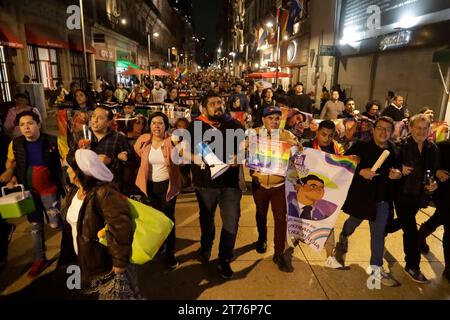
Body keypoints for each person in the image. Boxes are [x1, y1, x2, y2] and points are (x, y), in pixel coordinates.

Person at [58, 148, 139, 299]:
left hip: (104, 264)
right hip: (81, 260)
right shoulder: (73, 192)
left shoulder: (105, 193)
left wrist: (120, 263)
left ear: (79, 170)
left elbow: (121, 227)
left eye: (69, 167)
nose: (67, 170)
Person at [338, 116, 402, 286]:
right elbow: (344, 163)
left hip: (382, 199)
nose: (383, 132)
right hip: (362, 197)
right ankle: (344, 235)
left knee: (378, 234)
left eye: (388, 129)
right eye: (380, 128)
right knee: (353, 222)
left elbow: (399, 169)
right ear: (373, 130)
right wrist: (360, 171)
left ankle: (376, 268)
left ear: (392, 132)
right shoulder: (361, 146)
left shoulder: (394, 149)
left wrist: (398, 174)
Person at [187, 91, 244, 279]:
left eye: (219, 102)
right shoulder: (195, 126)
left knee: (231, 222)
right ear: (203, 108)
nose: (217, 106)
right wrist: (195, 158)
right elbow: (181, 150)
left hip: (230, 185)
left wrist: (240, 157)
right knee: (206, 219)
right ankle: (206, 246)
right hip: (205, 185)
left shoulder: (235, 125)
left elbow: (245, 150)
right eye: (212, 103)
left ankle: (224, 259)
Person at [1, 110, 65, 277]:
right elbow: (11, 161)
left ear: (39, 124)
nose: (26, 127)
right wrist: (11, 174)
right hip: (29, 194)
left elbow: (68, 159)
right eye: (22, 125)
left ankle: (67, 255)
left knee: (56, 224)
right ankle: (40, 259)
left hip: (50, 192)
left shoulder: (54, 141)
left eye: (29, 123)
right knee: (35, 227)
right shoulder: (15, 144)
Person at [249, 106, 300, 272]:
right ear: (263, 119)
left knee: (280, 218)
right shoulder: (253, 133)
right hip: (260, 184)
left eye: (277, 118)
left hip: (279, 186)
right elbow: (241, 151)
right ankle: (262, 237)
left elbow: (299, 156)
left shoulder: (288, 135)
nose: (274, 121)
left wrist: (296, 146)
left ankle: (279, 253)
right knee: (261, 213)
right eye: (270, 118)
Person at [394, 114, 439, 283]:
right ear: (411, 128)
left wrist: (434, 184)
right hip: (401, 196)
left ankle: (384, 228)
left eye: (425, 128)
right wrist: (399, 168)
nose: (421, 131)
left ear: (429, 129)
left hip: (419, 198)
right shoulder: (401, 145)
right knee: (411, 231)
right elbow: (389, 164)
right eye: (418, 127)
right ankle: (412, 266)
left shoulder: (432, 149)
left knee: (404, 223)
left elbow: (433, 172)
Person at [134, 112, 182, 269]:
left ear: (165, 125)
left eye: (160, 123)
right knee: (154, 219)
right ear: (149, 125)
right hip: (149, 187)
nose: (156, 126)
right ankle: (160, 246)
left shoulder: (171, 141)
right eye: (153, 123)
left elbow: (181, 155)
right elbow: (137, 153)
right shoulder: (143, 141)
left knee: (168, 220)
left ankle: (170, 253)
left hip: (168, 185)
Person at [302, 120, 344, 269]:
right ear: (317, 132)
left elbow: (345, 168)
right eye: (324, 134)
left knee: (328, 223)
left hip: (327, 194)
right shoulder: (307, 146)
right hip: (306, 193)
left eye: (330, 135)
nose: (327, 138)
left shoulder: (338, 149)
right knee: (300, 219)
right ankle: (293, 241)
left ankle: (329, 256)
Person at [76, 106, 133, 191]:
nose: (95, 120)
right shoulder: (81, 136)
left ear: (109, 122)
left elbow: (130, 164)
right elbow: (70, 159)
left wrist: (110, 161)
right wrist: (80, 154)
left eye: (100, 118)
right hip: (86, 187)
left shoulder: (119, 138)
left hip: (110, 188)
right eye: (93, 116)